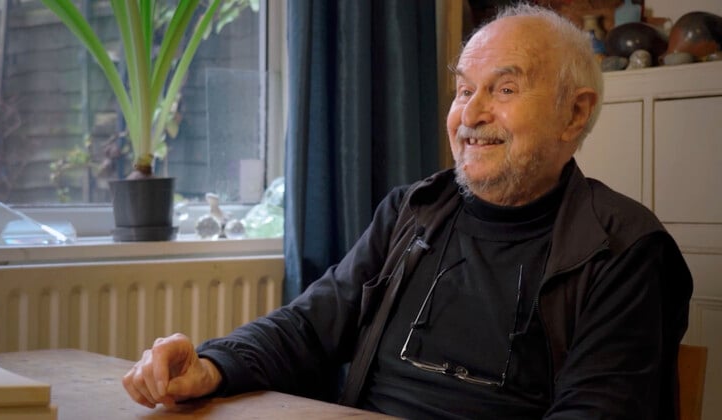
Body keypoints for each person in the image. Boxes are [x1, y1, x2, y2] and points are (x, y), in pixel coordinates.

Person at [122, 4, 693, 418]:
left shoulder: (627, 252)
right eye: (464, 90)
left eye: (505, 89)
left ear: (575, 114)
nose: (471, 113)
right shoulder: (414, 210)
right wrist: (212, 364)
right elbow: (308, 325)